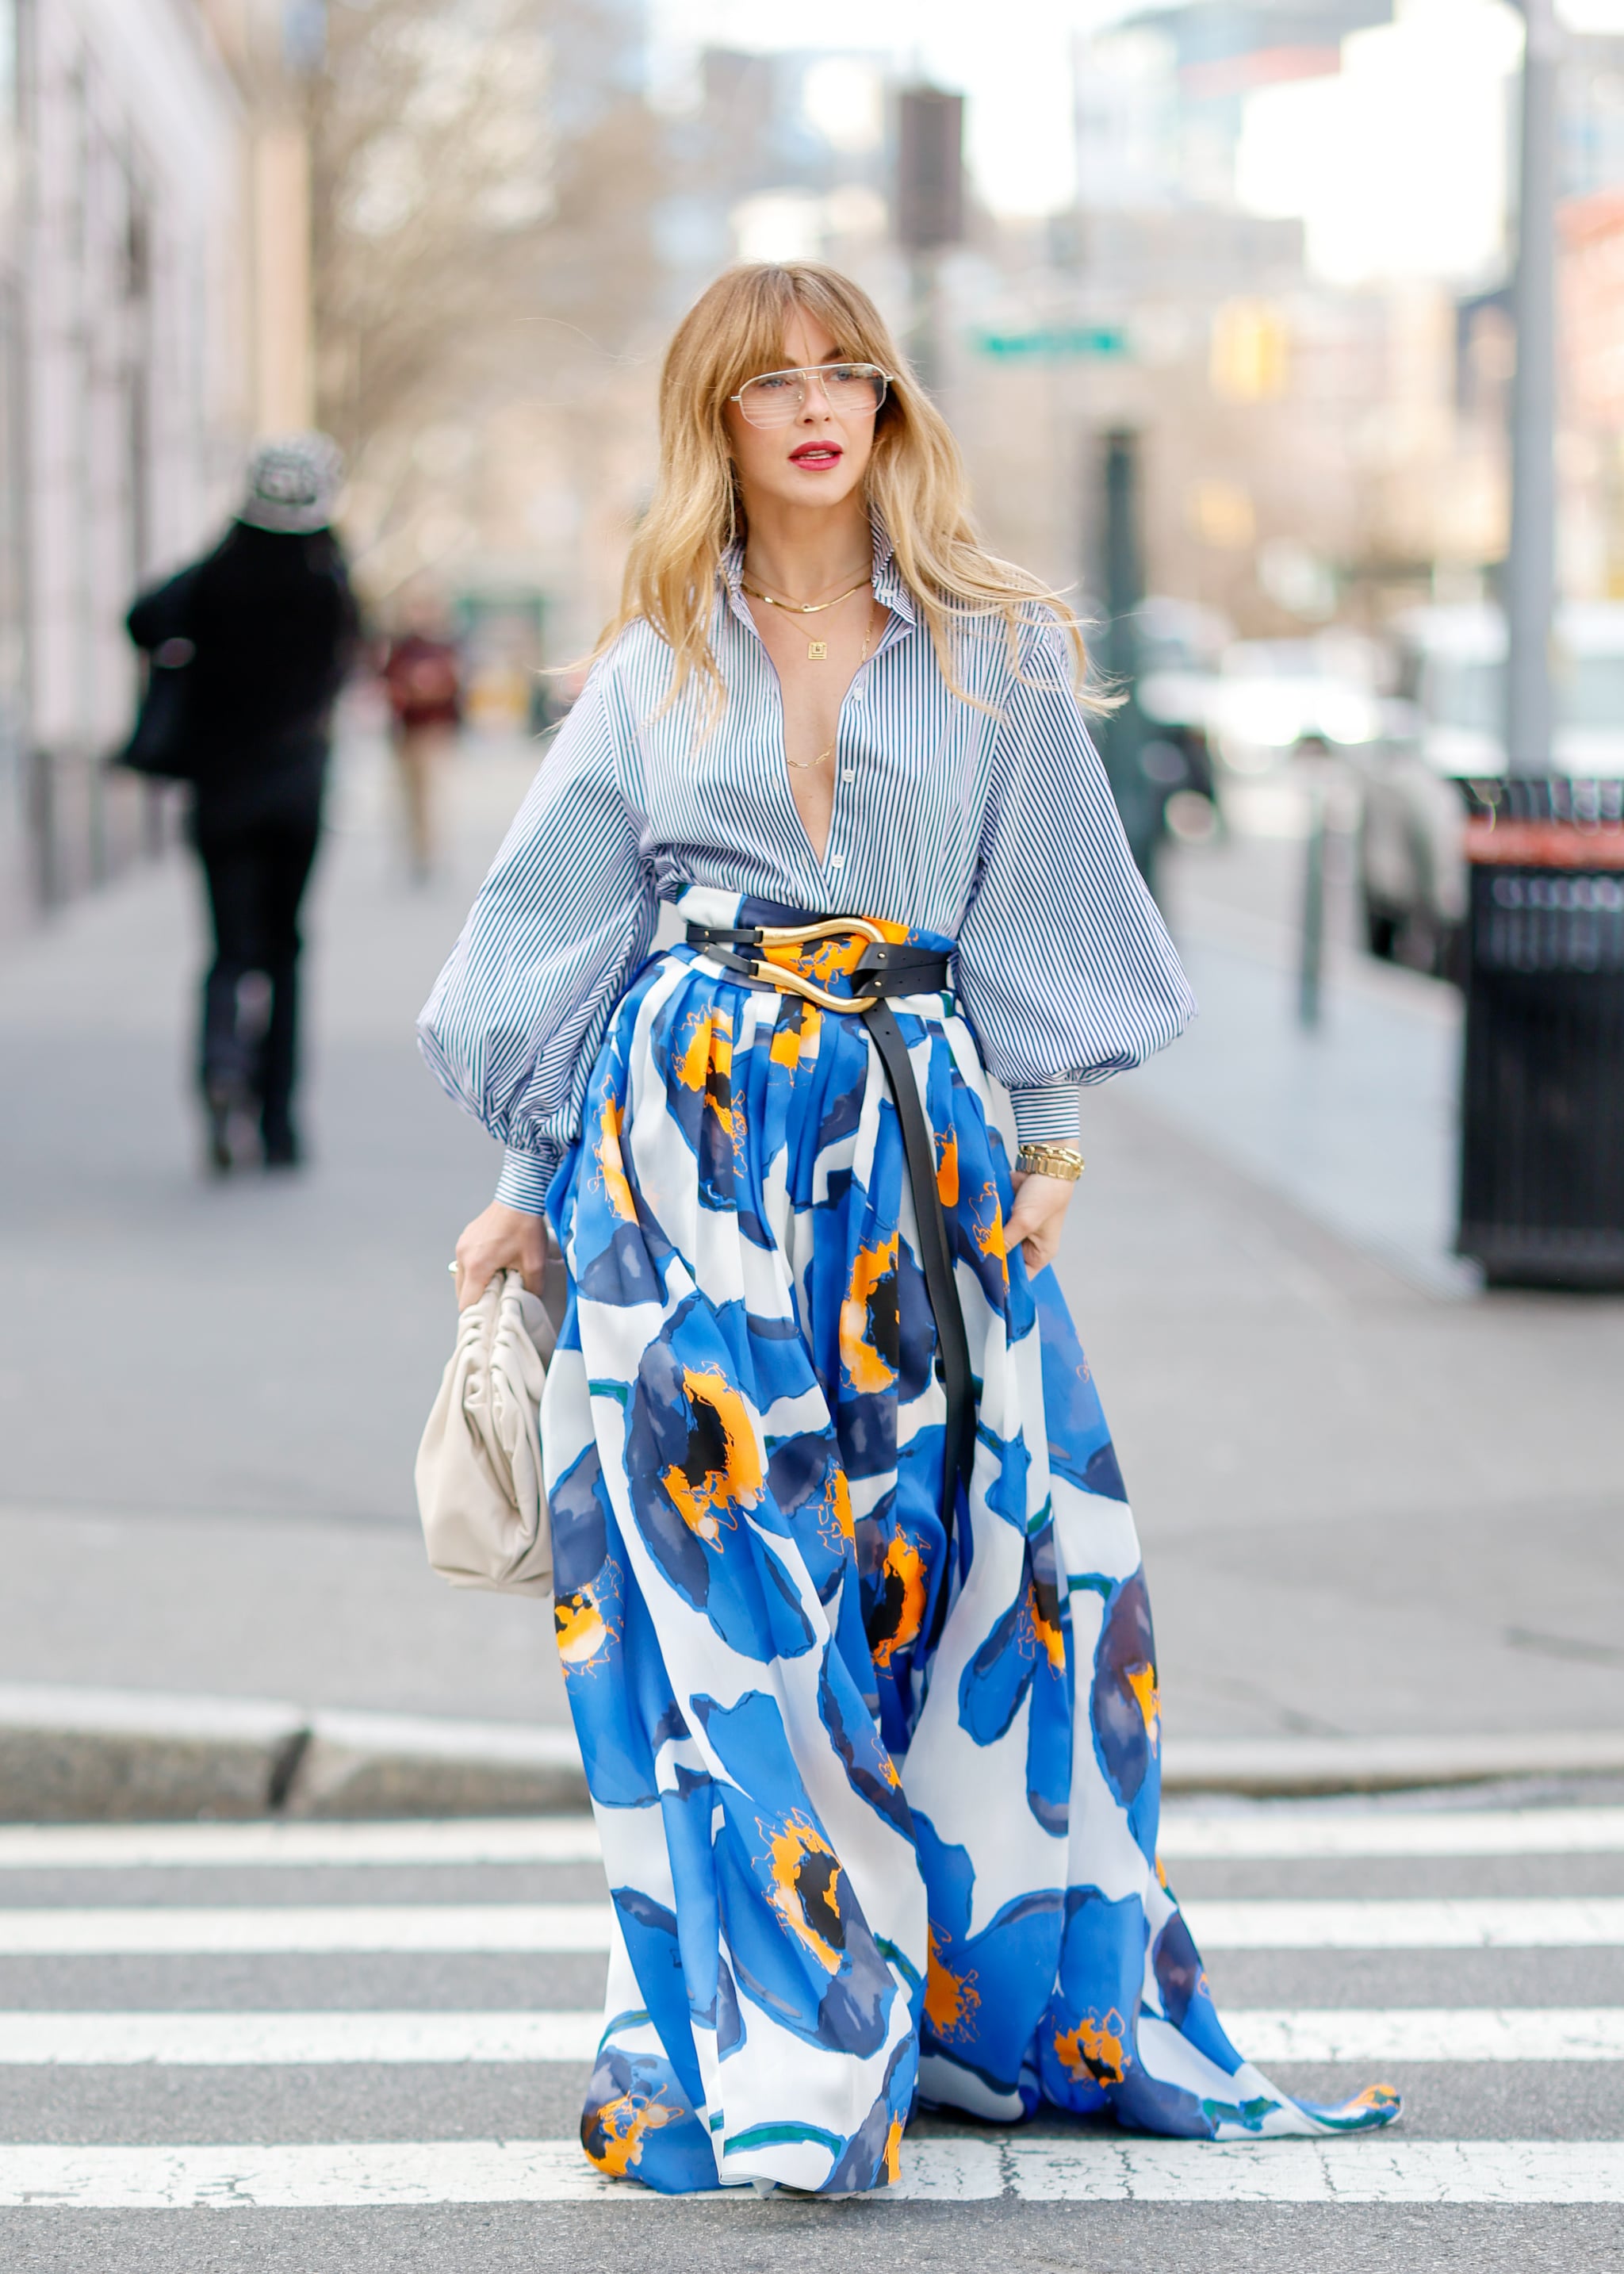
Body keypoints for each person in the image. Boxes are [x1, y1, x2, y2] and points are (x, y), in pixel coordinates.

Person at [418, 264, 1400, 2196]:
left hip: (913, 1162)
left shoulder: (997, 650)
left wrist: (1045, 1139)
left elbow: (1040, 902)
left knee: (949, 1578)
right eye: (770, 379)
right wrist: (524, 1195)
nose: (813, 405)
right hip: (680, 1158)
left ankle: (947, 1993)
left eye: (845, 372)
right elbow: (564, 927)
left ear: (884, 405)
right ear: (714, 416)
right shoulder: (650, 661)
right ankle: (783, 2030)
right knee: (724, 1602)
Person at [128, 435, 358, 1171]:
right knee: (286, 948)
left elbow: (143, 618)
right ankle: (281, 1120)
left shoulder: (217, 576)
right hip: (296, 792)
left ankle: (222, 1068)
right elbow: (351, 657)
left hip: (221, 795)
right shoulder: (329, 579)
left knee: (229, 949)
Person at [381, 586, 463, 882]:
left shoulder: (444, 647)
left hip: (434, 731)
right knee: (405, 796)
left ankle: (429, 853)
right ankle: (414, 851)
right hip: (406, 731)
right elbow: (389, 684)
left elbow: (452, 687)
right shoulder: (402, 648)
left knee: (431, 795)